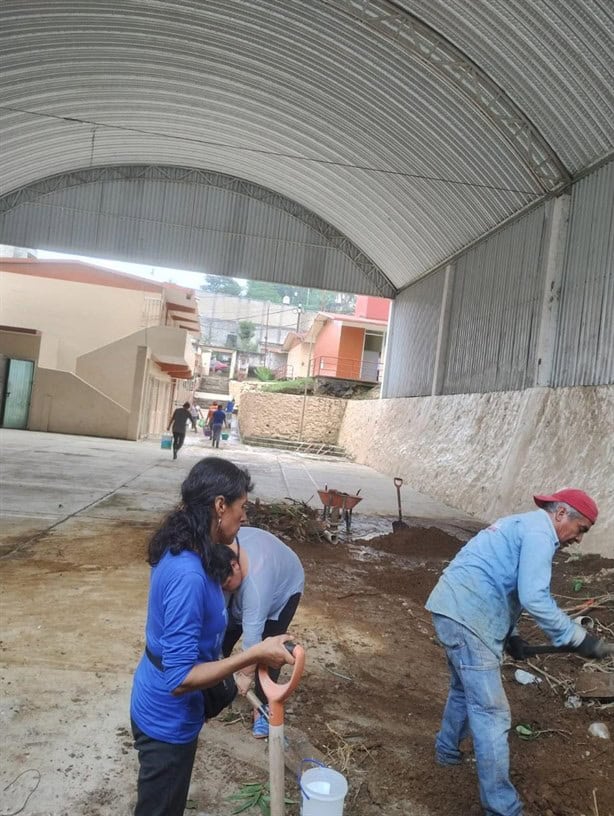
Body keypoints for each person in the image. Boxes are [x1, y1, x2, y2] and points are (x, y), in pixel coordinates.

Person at [425, 489, 612, 816]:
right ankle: (502, 808)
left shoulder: (524, 525)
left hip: (452, 607)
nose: (579, 539)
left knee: (461, 690)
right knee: (492, 714)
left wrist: (512, 636)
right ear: (560, 515)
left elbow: (502, 580)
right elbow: (534, 596)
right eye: (581, 529)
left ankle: (447, 751)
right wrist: (575, 637)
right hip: (469, 615)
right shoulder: (541, 534)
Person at [130, 457, 295, 816]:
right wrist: (250, 657)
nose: (245, 517)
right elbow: (180, 677)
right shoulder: (188, 573)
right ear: (220, 505)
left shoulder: (191, 549)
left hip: (164, 707)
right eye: (242, 507)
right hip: (166, 721)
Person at [222, 526, 304, 738]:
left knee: (269, 650)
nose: (225, 589)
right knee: (225, 631)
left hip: (284, 587)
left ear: (235, 566)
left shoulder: (257, 588)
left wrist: (244, 674)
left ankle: (264, 709)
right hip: (256, 566)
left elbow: (253, 642)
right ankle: (216, 689)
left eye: (227, 585)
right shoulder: (220, 554)